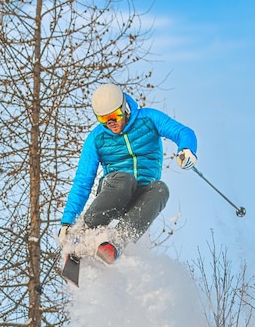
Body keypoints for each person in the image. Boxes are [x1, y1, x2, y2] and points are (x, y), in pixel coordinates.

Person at [59, 83, 197, 263]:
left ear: (124, 108)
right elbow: (83, 182)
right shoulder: (96, 138)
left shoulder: (149, 119)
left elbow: (182, 132)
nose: (111, 123)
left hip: (142, 195)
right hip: (115, 190)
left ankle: (115, 243)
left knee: (161, 189)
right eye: (104, 119)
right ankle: (84, 232)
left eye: (115, 116)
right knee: (125, 180)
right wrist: (68, 221)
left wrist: (186, 148)